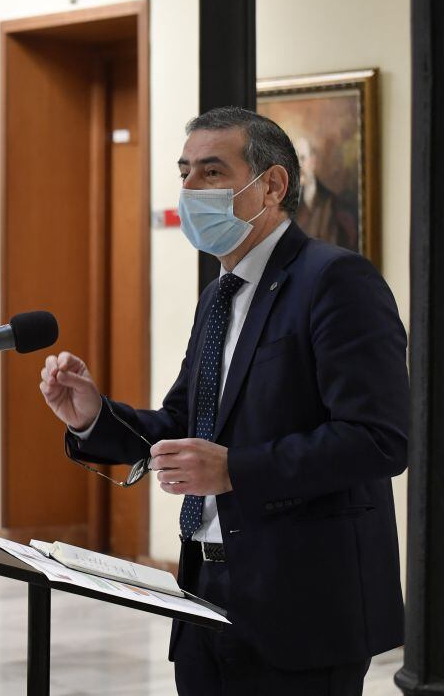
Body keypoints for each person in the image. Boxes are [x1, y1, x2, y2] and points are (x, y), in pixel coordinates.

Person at [39, 107, 407, 695]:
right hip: (205, 594)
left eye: (212, 171)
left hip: (304, 604)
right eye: (185, 171)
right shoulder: (219, 294)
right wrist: (93, 417)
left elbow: (378, 439)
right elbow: (188, 425)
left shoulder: (336, 280)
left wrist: (235, 470)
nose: (190, 189)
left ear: (273, 185)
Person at [292, 136, 358, 251]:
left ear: (313, 161)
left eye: (302, 158)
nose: (298, 165)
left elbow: (334, 245)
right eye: (295, 159)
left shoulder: (330, 201)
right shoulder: (287, 202)